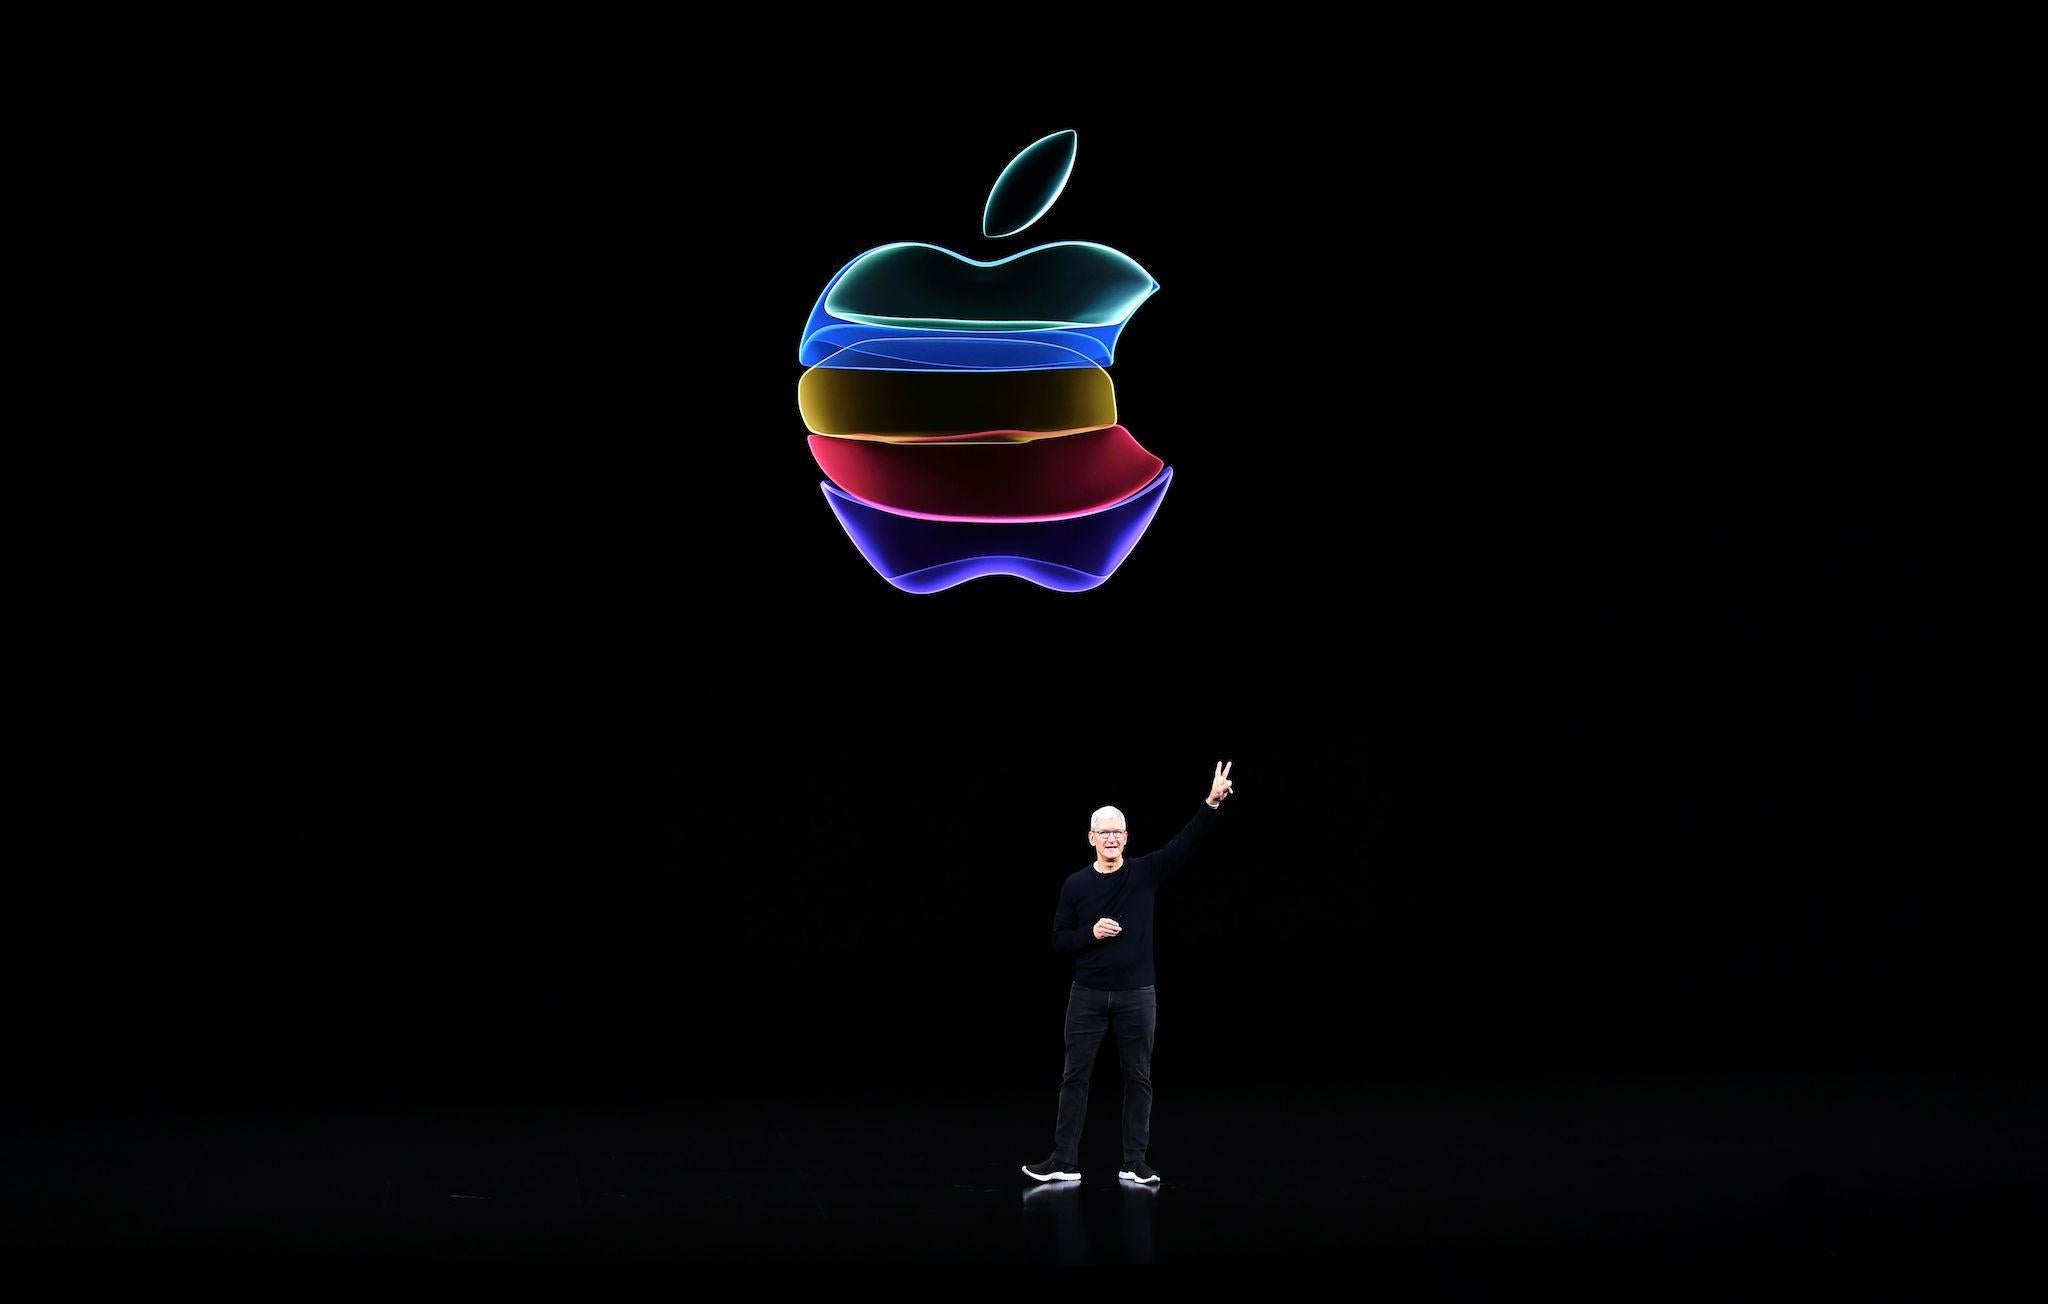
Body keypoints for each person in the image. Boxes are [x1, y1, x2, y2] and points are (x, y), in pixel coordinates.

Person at [1023, 761, 1234, 1185]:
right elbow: (1058, 939)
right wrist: (1091, 932)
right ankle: (1064, 1161)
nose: (1112, 837)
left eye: (1118, 831)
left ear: (1126, 836)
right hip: (1087, 995)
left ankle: (1134, 1162)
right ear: (1091, 839)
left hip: (1137, 993)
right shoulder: (1075, 885)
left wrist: (1211, 802)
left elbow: (1184, 844)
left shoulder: (1144, 872)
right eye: (1104, 831)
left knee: (1138, 1077)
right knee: (1074, 1077)